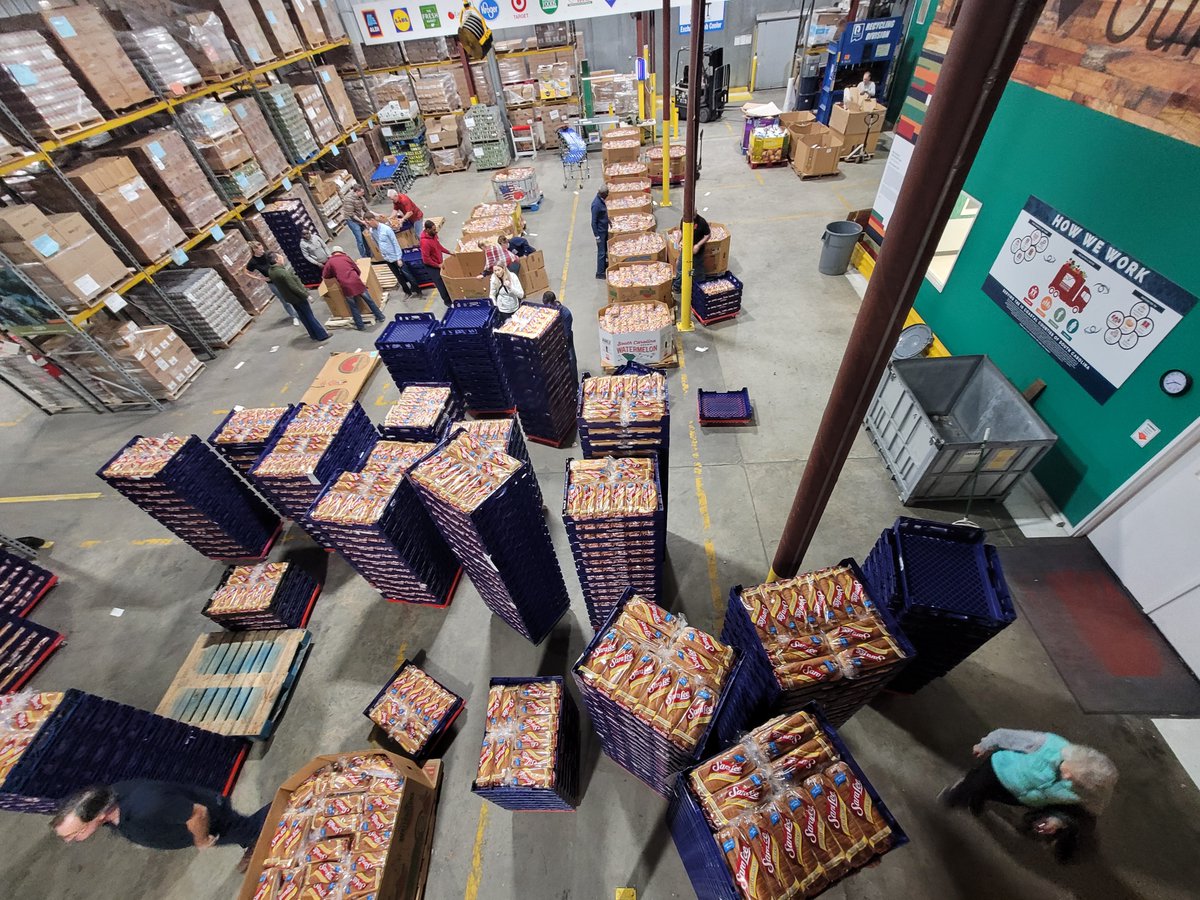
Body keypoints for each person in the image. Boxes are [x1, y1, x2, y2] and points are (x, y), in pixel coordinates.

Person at [941, 729, 1118, 862]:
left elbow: (1075, 813)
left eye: (1076, 781)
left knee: (988, 795)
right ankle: (958, 795)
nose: (1067, 777)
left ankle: (978, 799)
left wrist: (1056, 821)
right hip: (997, 771)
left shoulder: (1089, 795)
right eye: (1068, 770)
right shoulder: (1048, 744)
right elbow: (1004, 735)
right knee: (974, 785)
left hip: (1020, 796)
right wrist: (984, 745)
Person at [51, 781, 270, 872]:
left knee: (252, 828)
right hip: (184, 822)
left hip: (211, 818)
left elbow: (199, 813)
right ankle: (251, 843)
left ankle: (295, 798)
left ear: (98, 815)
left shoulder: (148, 806)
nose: (71, 840)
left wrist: (201, 840)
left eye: (74, 834)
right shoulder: (106, 803)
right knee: (240, 834)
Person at [267, 252, 330, 342]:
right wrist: (306, 295)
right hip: (297, 297)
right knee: (309, 315)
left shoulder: (271, 271)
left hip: (290, 298)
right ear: (276, 260)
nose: (283, 258)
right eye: (280, 257)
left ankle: (313, 334)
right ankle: (321, 335)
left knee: (303, 316)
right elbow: (294, 286)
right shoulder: (283, 273)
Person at [321, 246, 386, 331]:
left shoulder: (330, 262)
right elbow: (357, 270)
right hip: (357, 282)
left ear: (333, 253)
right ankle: (380, 317)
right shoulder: (346, 258)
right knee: (369, 300)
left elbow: (325, 275)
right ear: (341, 252)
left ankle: (360, 326)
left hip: (346, 286)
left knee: (353, 306)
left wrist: (335, 274)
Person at [367, 215, 421, 298]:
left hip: (396, 256)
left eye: (368, 222)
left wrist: (399, 258)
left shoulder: (386, 229)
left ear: (373, 220)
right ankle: (407, 292)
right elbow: (377, 243)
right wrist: (383, 254)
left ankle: (418, 291)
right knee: (398, 276)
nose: (368, 225)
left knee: (407, 274)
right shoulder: (372, 231)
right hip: (387, 258)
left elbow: (395, 243)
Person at [246, 239, 298, 325]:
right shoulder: (253, 262)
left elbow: (280, 257)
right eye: (259, 249)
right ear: (254, 250)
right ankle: (294, 316)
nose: (262, 250)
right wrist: (260, 278)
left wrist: (281, 266)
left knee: (293, 292)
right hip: (272, 283)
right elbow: (246, 272)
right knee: (284, 300)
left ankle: (300, 311)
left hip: (281, 277)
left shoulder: (268, 254)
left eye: (262, 248)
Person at [541, 290, 577, 383]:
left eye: (549, 306)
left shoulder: (565, 314)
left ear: (553, 302)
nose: (547, 308)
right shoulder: (546, 311)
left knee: (571, 360)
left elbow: (566, 335)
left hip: (565, 341)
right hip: (552, 341)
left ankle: (574, 384)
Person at [672, 213, 711, 292]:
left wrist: (698, 245)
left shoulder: (701, 222)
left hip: (697, 252)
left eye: (693, 214)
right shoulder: (684, 219)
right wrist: (677, 242)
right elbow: (682, 231)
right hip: (686, 249)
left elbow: (708, 235)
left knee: (696, 270)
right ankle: (677, 286)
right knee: (680, 268)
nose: (692, 217)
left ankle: (700, 287)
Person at [420, 220, 453, 306]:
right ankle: (447, 302)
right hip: (432, 266)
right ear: (427, 229)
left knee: (445, 280)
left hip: (439, 262)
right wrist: (438, 265)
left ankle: (451, 297)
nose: (436, 231)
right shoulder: (425, 242)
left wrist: (449, 252)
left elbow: (438, 246)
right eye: (433, 230)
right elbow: (426, 259)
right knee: (440, 284)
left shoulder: (433, 236)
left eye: (435, 229)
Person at [342, 184, 372, 258]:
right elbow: (351, 214)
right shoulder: (348, 199)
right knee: (360, 239)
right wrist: (362, 222)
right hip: (351, 220)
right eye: (362, 192)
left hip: (358, 217)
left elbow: (365, 209)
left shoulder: (360, 197)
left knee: (365, 236)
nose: (363, 193)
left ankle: (369, 254)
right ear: (357, 191)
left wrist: (373, 216)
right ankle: (364, 257)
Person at [591, 186, 609, 279]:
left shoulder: (601, 200)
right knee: (601, 253)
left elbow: (603, 215)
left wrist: (608, 221)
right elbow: (593, 222)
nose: (607, 196)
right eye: (607, 194)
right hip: (601, 232)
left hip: (604, 229)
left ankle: (603, 266)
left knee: (605, 250)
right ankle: (600, 273)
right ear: (603, 194)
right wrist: (597, 236)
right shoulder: (596, 205)